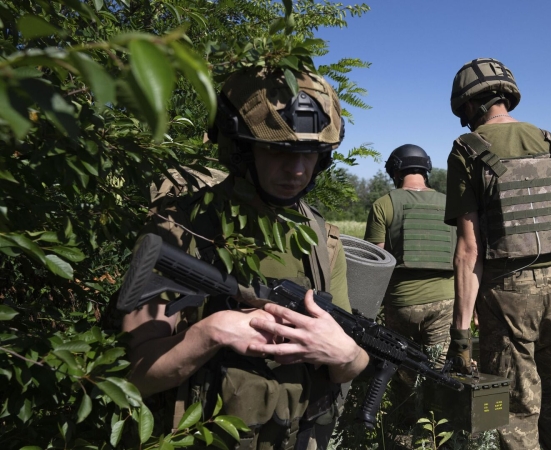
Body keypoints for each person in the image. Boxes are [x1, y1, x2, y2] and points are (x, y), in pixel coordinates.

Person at [122, 66, 369, 450]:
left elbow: (349, 364)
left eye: (311, 153)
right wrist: (210, 332)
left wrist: (347, 354)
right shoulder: (179, 227)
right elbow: (136, 376)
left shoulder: (322, 240)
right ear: (240, 148)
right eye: (277, 150)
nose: (298, 170)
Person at [443, 58, 551, 450]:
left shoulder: (466, 150)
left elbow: (469, 252)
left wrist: (461, 335)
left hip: (508, 293)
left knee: (515, 407)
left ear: (469, 105)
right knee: (549, 385)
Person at [363, 145, 456, 420]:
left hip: (402, 303)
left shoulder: (384, 203)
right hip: (446, 302)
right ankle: (434, 433)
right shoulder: (450, 203)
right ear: (426, 170)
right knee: (439, 372)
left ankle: (402, 427)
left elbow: (373, 262)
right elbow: (466, 256)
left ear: (395, 171)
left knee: (402, 368)